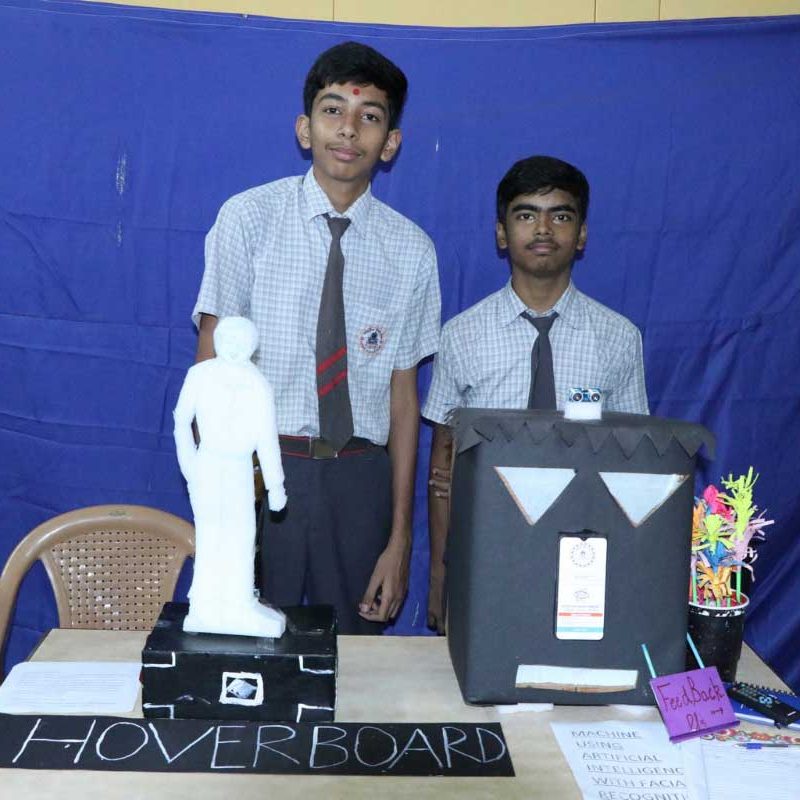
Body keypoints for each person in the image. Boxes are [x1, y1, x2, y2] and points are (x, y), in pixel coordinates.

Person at [191, 42, 440, 634]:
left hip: (359, 478)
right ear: (305, 129)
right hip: (259, 469)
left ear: (391, 142)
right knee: (245, 650)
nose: (348, 129)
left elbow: (404, 403)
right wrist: (226, 495)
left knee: (355, 656)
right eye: (332, 111)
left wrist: (400, 538)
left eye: (369, 116)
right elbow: (210, 372)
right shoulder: (247, 219)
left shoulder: (412, 251)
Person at [422, 155, 648, 633]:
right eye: (526, 215)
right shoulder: (462, 335)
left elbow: (636, 465)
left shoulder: (618, 337)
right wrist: (441, 573)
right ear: (501, 233)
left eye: (560, 216)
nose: (543, 229)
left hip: (586, 550)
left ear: (581, 234)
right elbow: (442, 471)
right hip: (488, 547)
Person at [174, 316, 287, 638]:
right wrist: (190, 466)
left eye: (242, 342)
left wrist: (275, 485)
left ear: (254, 346)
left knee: (241, 535)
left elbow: (267, 440)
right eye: (228, 340)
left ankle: (238, 603)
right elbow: (181, 421)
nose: (235, 348)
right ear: (217, 341)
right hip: (207, 464)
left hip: (239, 469)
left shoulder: (258, 384)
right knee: (211, 534)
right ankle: (206, 605)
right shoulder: (199, 375)